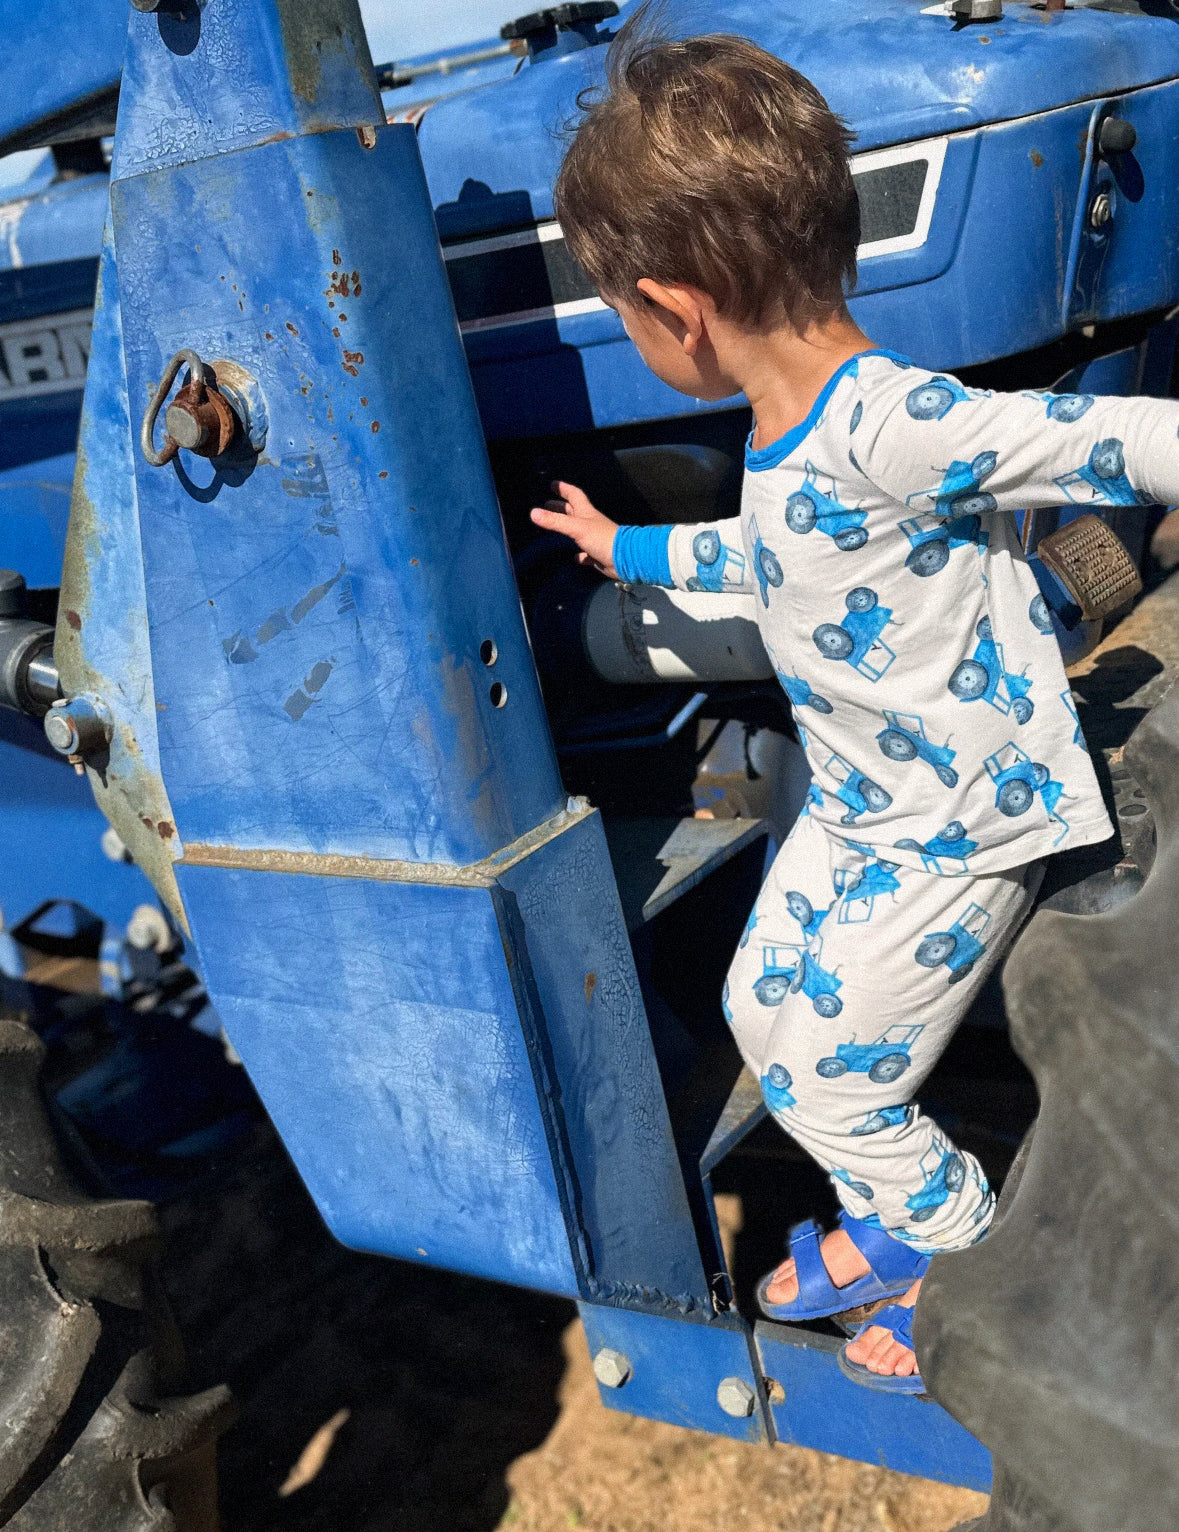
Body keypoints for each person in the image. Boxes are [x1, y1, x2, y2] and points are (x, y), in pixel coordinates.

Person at [531, 8, 1175, 1391]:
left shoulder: (891, 420)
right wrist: (625, 548)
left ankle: (977, 1272)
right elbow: (772, 556)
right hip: (865, 799)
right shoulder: (786, 429)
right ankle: (894, 1214)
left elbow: (1100, 434)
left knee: (835, 1079)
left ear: (672, 313)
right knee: (765, 1008)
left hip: (961, 815)